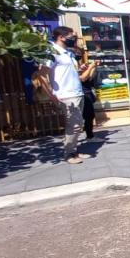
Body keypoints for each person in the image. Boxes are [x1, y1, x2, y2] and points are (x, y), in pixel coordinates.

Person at [41, 27, 90, 164]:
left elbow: (68, 71)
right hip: (66, 95)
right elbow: (42, 74)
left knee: (78, 124)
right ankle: (69, 154)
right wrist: (51, 95)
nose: (74, 39)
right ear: (61, 37)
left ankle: (74, 150)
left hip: (76, 92)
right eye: (71, 36)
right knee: (74, 125)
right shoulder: (52, 52)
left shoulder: (68, 53)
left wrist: (80, 69)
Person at [72, 48, 98, 139]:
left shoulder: (77, 65)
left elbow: (89, 77)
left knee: (89, 115)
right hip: (82, 93)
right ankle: (89, 136)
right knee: (87, 115)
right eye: (77, 53)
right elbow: (83, 78)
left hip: (86, 92)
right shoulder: (71, 66)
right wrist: (90, 67)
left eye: (80, 53)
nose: (79, 55)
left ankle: (89, 134)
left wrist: (94, 67)